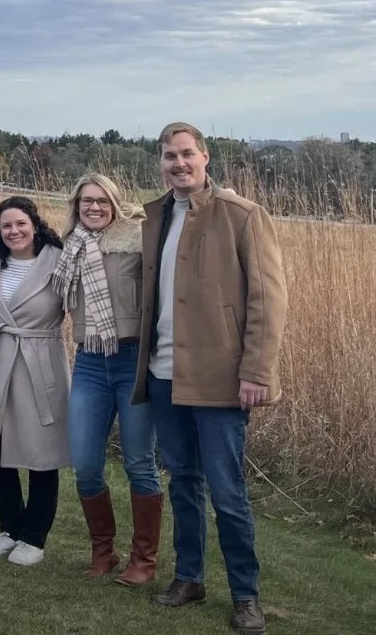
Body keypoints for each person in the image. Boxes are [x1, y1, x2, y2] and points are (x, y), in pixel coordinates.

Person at [132, 122, 288, 635]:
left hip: (219, 379)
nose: (178, 164)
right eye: (168, 156)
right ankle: (190, 577)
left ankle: (245, 594)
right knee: (184, 484)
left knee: (227, 492)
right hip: (164, 377)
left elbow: (269, 299)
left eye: (186, 154)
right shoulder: (154, 215)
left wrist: (257, 371)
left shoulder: (241, 215)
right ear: (160, 163)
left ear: (205, 158)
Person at [51, 173, 162, 585]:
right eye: (86, 202)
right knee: (84, 462)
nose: (93, 208)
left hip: (133, 360)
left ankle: (144, 559)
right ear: (76, 206)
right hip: (91, 363)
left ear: (115, 202)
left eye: (101, 200)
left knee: (138, 461)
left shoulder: (137, 241)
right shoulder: (71, 248)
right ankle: (104, 550)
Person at [0, 196, 69, 567]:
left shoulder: (58, 262)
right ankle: (10, 527)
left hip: (39, 361)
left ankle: (34, 535)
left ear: (35, 223)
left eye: (20, 224)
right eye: (6, 226)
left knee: (41, 452)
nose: (14, 231)